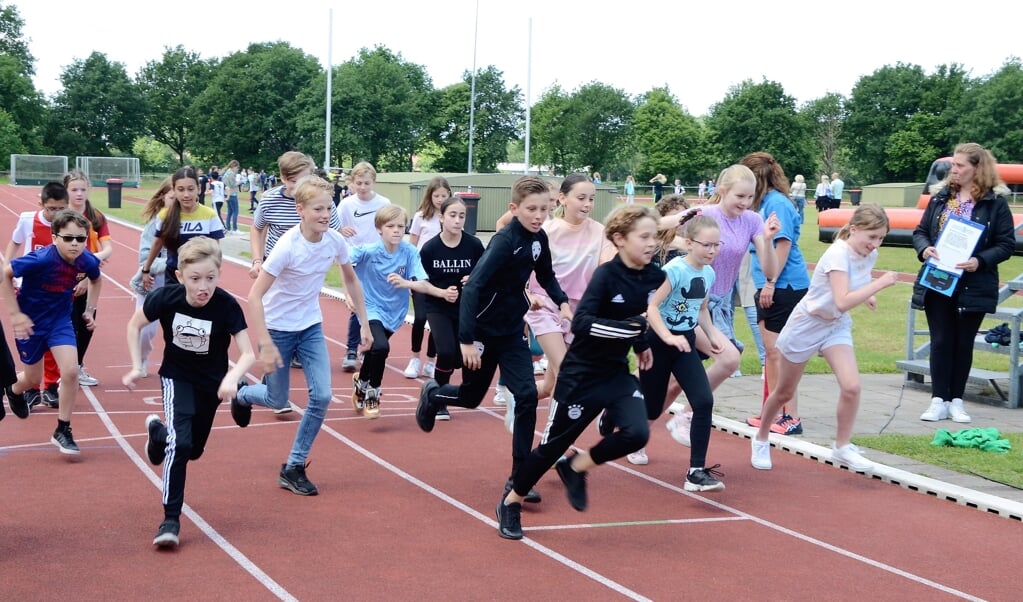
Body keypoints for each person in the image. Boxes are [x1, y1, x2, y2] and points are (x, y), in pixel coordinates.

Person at [494, 205, 664, 540]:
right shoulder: (605, 276)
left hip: (615, 373)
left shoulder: (653, 276)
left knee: (637, 433)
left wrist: (642, 343)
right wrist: (632, 331)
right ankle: (511, 501)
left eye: (654, 236)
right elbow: (583, 323)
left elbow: (636, 315)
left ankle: (576, 467)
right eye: (643, 237)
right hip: (580, 376)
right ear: (619, 239)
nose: (651, 243)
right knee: (551, 447)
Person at [416, 175, 572, 506]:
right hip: (483, 332)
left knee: (527, 396)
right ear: (514, 209)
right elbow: (473, 288)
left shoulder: (538, 239)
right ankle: (434, 394)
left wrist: (562, 302)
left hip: (512, 331)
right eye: (531, 209)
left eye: (544, 209)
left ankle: (519, 479)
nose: (538, 215)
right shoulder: (504, 242)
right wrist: (467, 341)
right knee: (471, 398)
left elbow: (545, 274)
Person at [234, 176, 371, 495]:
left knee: (322, 395)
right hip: (278, 329)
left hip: (309, 328)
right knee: (276, 399)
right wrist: (265, 343)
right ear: (301, 210)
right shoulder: (287, 247)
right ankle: (243, 394)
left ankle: (294, 466)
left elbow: (351, 280)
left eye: (329, 208)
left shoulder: (335, 241)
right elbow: (254, 297)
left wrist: (364, 322)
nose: (325, 214)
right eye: (318, 209)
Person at [122, 237, 255, 548]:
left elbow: (248, 353)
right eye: (195, 279)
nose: (203, 287)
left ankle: (157, 434)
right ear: (181, 277)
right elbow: (133, 325)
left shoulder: (226, 305)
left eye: (210, 278)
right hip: (177, 378)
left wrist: (233, 378)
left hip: (212, 383)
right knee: (181, 446)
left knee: (193, 449)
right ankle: (170, 519)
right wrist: (135, 366)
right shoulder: (167, 298)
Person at [751, 205, 899, 472]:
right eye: (872, 237)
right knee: (784, 391)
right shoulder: (837, 255)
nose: (876, 244)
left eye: (881, 238)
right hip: (808, 324)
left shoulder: (869, 253)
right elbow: (842, 300)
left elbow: (857, 281)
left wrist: (869, 293)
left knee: (852, 386)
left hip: (835, 325)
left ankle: (842, 447)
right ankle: (761, 437)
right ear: (854, 230)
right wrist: (880, 284)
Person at [913, 143, 1015, 423]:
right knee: (941, 340)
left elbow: (1006, 244)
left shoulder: (995, 203)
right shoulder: (940, 198)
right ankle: (938, 399)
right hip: (938, 279)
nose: (953, 170)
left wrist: (979, 260)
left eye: (960, 165)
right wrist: (925, 249)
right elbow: (920, 232)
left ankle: (956, 400)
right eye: (953, 165)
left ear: (977, 169)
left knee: (962, 342)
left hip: (974, 282)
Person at [1, 210, 102, 455]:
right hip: (31, 324)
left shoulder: (86, 260)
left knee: (70, 371)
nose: (75, 244)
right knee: (32, 379)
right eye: (68, 238)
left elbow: (96, 279)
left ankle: (63, 429)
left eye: (81, 238)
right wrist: (15, 314)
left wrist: (90, 310)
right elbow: (5, 274)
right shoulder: (40, 259)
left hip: (60, 321)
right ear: (55, 237)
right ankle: (13, 390)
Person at [640, 214, 728, 492]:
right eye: (707, 245)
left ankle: (696, 472)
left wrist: (713, 335)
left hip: (685, 345)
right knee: (653, 407)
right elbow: (652, 308)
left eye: (717, 245)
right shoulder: (674, 270)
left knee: (703, 401)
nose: (712, 251)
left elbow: (701, 309)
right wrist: (666, 336)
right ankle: (614, 414)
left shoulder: (709, 273)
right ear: (689, 243)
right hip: (657, 343)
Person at [349, 205, 454, 419]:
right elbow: (342, 264)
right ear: (379, 229)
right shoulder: (367, 251)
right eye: (390, 226)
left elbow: (422, 283)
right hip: (370, 307)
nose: (397, 230)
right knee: (380, 346)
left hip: (394, 311)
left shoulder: (409, 252)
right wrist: (349, 294)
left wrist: (440, 292)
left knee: (374, 350)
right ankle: (373, 393)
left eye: (400, 226)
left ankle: (361, 382)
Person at [527, 174, 615, 404]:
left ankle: (516, 396)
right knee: (566, 371)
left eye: (592, 199)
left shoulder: (600, 232)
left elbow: (607, 268)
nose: (587, 204)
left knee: (549, 385)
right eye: (581, 198)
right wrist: (526, 295)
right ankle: (554, 436)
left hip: (578, 312)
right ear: (563, 198)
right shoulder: (545, 230)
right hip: (544, 306)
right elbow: (521, 270)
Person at [742, 152, 810, 435]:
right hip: (769, 284)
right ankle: (772, 411)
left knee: (780, 352)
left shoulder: (777, 204)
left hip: (784, 286)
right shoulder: (764, 204)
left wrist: (770, 282)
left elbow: (781, 246)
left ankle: (791, 415)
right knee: (771, 353)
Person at [418, 196, 486, 418]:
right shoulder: (430, 249)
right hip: (438, 307)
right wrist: (442, 293)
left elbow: (486, 274)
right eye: (452, 215)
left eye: (462, 216)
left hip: (466, 309)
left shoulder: (474, 245)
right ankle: (437, 399)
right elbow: (421, 282)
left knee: (461, 359)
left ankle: (446, 392)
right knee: (446, 352)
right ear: (441, 217)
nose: (457, 221)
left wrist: (473, 278)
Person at [4, 181, 70, 409]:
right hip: (29, 289)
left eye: (61, 209)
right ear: (41, 204)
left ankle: (50, 386)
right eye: (51, 209)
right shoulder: (27, 220)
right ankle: (32, 388)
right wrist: (9, 269)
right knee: (33, 335)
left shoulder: (68, 225)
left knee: (54, 339)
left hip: (57, 288)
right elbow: (15, 243)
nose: (55, 214)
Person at [338, 161, 391, 372]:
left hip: (378, 259)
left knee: (378, 303)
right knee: (358, 304)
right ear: (352, 182)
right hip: (355, 258)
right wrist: (343, 231)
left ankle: (372, 343)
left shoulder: (383, 203)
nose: (362, 187)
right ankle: (351, 349)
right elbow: (335, 229)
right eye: (358, 183)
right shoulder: (346, 205)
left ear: (374, 182)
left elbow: (390, 224)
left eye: (366, 183)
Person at [63, 169, 113, 388]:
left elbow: (108, 248)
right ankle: (61, 370)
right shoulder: (61, 217)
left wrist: (91, 260)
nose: (79, 194)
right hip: (64, 279)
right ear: (66, 191)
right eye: (74, 189)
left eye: (83, 189)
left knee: (86, 323)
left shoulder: (96, 216)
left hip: (89, 279)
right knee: (65, 325)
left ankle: (78, 365)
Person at [142, 167, 225, 289]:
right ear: (174, 191)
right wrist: (146, 270)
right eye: (181, 190)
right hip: (174, 275)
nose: (186, 194)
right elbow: (157, 243)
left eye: (191, 189)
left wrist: (214, 274)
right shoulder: (165, 216)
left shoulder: (210, 215)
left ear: (199, 189)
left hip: (200, 278)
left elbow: (216, 250)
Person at [404, 177, 451, 381]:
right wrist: (408, 275)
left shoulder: (450, 217)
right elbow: (412, 245)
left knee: (436, 320)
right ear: (430, 196)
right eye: (437, 195)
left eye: (444, 195)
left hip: (441, 277)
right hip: (420, 273)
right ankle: (415, 358)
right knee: (421, 317)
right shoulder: (421, 216)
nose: (440, 199)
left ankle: (431, 361)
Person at [129, 179, 175, 378]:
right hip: (152, 285)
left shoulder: (191, 224)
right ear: (163, 197)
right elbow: (144, 260)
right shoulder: (153, 225)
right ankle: (142, 358)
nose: (177, 201)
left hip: (179, 286)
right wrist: (173, 263)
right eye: (172, 197)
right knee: (146, 331)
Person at [222, 160, 241, 234]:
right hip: (232, 193)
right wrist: (240, 182)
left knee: (230, 211)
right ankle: (235, 229)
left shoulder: (226, 173)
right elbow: (233, 184)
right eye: (237, 167)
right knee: (235, 211)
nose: (237, 169)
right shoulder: (232, 174)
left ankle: (228, 227)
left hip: (226, 193)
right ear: (234, 166)